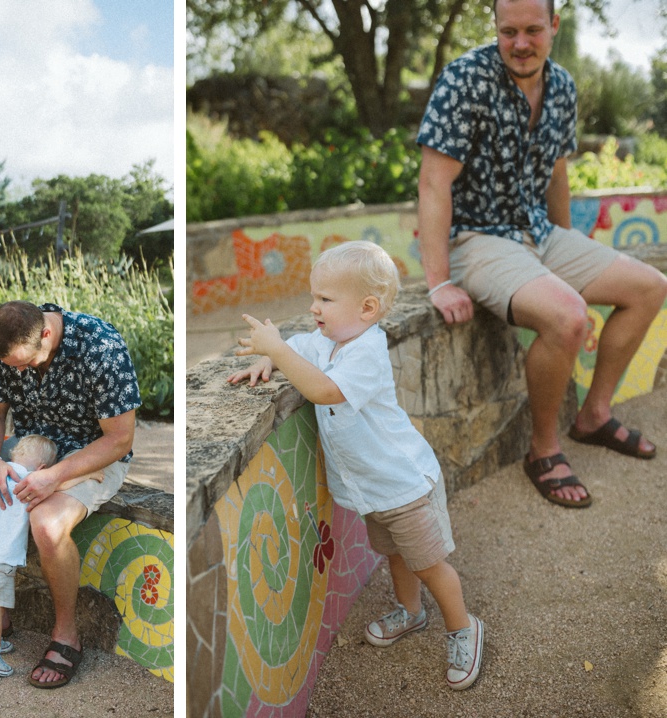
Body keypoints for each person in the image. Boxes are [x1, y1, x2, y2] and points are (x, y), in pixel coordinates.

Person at [417, 0, 667, 507]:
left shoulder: (563, 88)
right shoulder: (464, 80)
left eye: (533, 29)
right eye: (509, 31)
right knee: (568, 316)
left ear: (554, 25)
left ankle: (594, 415)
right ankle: (543, 449)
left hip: (537, 232)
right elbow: (433, 182)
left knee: (649, 287)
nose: (521, 43)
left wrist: (561, 243)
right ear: (496, 28)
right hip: (477, 237)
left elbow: (556, 171)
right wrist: (439, 280)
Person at [230, 241, 483, 690]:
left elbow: (326, 391)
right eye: (315, 297)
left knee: (428, 564)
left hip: (403, 485)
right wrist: (271, 355)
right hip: (374, 491)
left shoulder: (365, 350)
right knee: (394, 554)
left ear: (367, 308)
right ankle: (410, 612)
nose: (313, 308)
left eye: (325, 299)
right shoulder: (326, 340)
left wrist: (281, 353)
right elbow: (297, 348)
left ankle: (463, 628)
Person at [0, 299, 138, 689]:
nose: (18, 371)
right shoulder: (8, 344)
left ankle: (66, 634)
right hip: (29, 448)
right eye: (11, 365)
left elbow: (120, 438)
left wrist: (57, 477)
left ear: (47, 333)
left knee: (46, 524)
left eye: (24, 365)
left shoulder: (101, 348)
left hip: (91, 454)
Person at [0, 435, 101, 677]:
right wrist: (88, 475)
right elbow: (61, 485)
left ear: (13, 456)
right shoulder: (31, 482)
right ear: (43, 468)